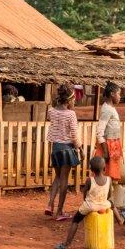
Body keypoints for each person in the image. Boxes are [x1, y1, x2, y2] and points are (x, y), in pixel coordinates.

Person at [54, 156, 125, 249]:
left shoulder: (89, 180)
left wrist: (86, 203)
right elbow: (109, 195)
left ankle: (66, 244)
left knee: (75, 220)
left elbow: (84, 194)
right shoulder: (109, 180)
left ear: (91, 170)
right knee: (112, 204)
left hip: (90, 205)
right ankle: (120, 220)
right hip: (104, 203)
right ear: (104, 168)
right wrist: (103, 201)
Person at [45, 84, 84, 221]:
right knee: (64, 180)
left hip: (55, 148)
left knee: (57, 177)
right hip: (67, 149)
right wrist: (80, 149)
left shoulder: (52, 111)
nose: (74, 102)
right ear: (68, 101)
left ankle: (50, 205)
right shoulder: (71, 114)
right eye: (73, 100)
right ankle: (60, 212)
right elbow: (74, 135)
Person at [95, 81, 122, 182]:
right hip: (107, 147)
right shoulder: (107, 109)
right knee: (105, 176)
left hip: (113, 146)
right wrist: (106, 152)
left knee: (110, 177)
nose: (120, 96)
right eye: (118, 93)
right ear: (112, 94)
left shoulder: (110, 108)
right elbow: (100, 132)